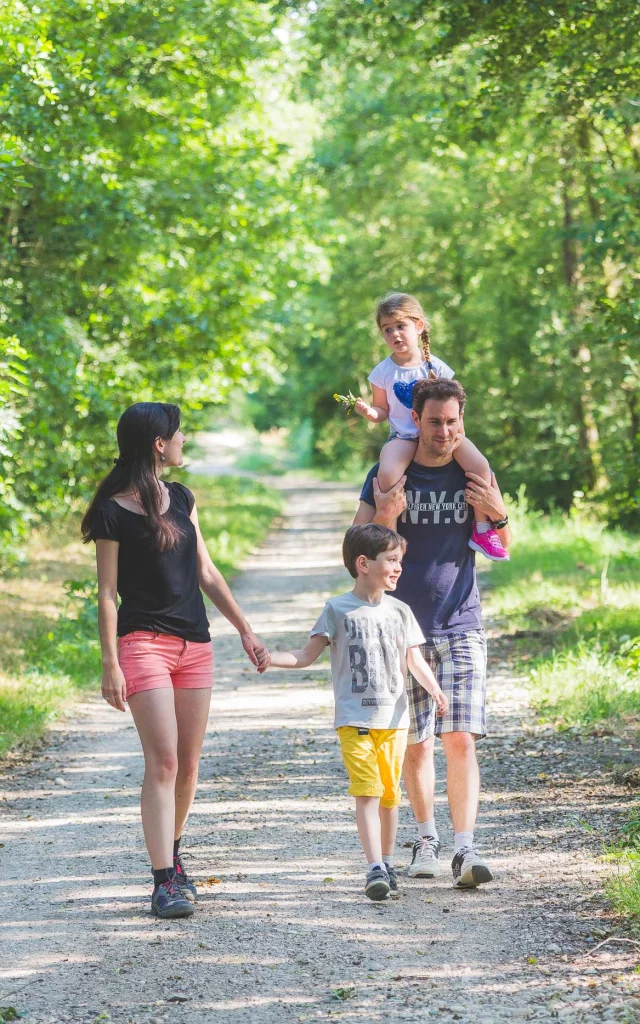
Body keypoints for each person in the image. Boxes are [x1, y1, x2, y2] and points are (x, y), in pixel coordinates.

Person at [81, 402, 270, 919]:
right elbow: (106, 593)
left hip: (195, 646)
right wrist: (109, 662)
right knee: (162, 763)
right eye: (178, 433)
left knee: (188, 766)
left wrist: (245, 629)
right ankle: (163, 880)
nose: (184, 439)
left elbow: (206, 572)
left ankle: (174, 855)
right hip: (143, 644)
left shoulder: (183, 498)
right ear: (158, 444)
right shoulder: (112, 511)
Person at [353, 377, 511, 888]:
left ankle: (466, 848)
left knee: (460, 737)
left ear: (462, 421)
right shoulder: (389, 476)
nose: (443, 431)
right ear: (416, 421)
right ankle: (426, 840)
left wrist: (498, 510)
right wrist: (385, 514)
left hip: (462, 621)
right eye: (434, 421)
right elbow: (353, 551)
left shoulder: (474, 472)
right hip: (401, 629)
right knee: (416, 743)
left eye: (452, 421)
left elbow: (503, 543)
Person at [264, 523, 448, 902]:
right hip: (354, 720)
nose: (398, 567)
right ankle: (374, 867)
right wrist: (271, 659)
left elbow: (414, 660)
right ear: (363, 564)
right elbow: (306, 655)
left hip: (394, 722)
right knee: (367, 791)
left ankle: (388, 863)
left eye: (400, 560)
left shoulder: (400, 611)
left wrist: (436, 691)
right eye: (391, 560)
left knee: (390, 796)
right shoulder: (337, 609)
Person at [351, 291, 508, 562]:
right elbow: (382, 411)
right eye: (387, 329)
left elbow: (453, 408)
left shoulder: (437, 367)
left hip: (441, 433)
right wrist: (369, 412)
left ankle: (482, 529)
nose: (395, 334)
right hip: (402, 437)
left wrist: (459, 438)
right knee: (388, 472)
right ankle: (391, 536)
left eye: (401, 326)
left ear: (419, 326)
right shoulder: (382, 372)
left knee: (481, 466)